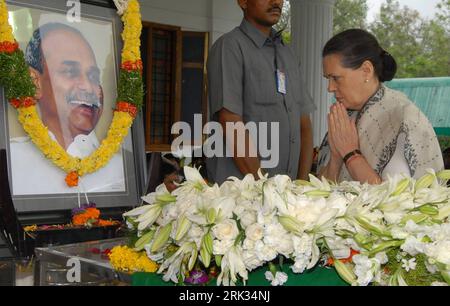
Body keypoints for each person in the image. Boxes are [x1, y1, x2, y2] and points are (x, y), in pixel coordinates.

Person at [206, 0, 315, 184]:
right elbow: (231, 122)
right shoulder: (230, 47)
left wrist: (302, 186)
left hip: (288, 198)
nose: (276, 2)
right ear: (242, 2)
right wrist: (263, 189)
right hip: (243, 197)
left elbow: (304, 124)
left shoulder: (288, 54)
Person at [9, 23, 125, 195]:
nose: (87, 86)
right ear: (35, 83)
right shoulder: (12, 163)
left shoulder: (121, 170)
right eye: (70, 72)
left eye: (93, 76)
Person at [317, 29, 444, 184]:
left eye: (336, 78)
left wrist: (351, 154)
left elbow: (397, 200)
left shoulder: (404, 118)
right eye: (327, 79)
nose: (330, 88)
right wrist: (336, 158)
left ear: (366, 71)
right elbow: (321, 192)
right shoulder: (345, 118)